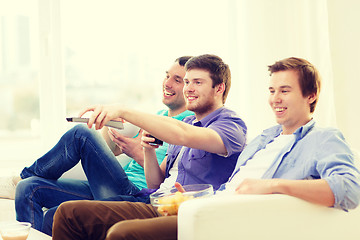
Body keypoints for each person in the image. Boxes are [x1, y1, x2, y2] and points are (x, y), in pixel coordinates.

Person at [52, 57, 360, 240]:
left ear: (311, 95)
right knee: (68, 214)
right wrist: (147, 153)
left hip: (223, 218)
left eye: (285, 90)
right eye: (271, 90)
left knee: (121, 234)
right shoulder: (264, 139)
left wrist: (272, 185)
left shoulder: (322, 138)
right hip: (189, 204)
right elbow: (207, 178)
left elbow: (349, 189)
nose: (275, 98)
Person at [50, 53, 247, 240]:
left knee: (106, 227)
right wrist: (149, 151)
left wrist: (123, 110)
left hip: (185, 212)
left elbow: (183, 135)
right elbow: (156, 183)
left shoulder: (230, 125)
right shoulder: (187, 121)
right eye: (187, 82)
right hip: (157, 202)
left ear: (219, 88)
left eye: (198, 82)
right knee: (67, 212)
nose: (189, 88)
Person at [1, 56, 194, 234]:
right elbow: (110, 152)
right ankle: (24, 180)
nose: (167, 83)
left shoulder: (187, 126)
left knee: (82, 133)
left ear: (188, 87)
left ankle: (22, 176)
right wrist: (108, 125)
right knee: (28, 188)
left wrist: (139, 154)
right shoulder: (157, 117)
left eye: (177, 80)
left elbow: (170, 179)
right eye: (167, 76)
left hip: (133, 194)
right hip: (111, 185)